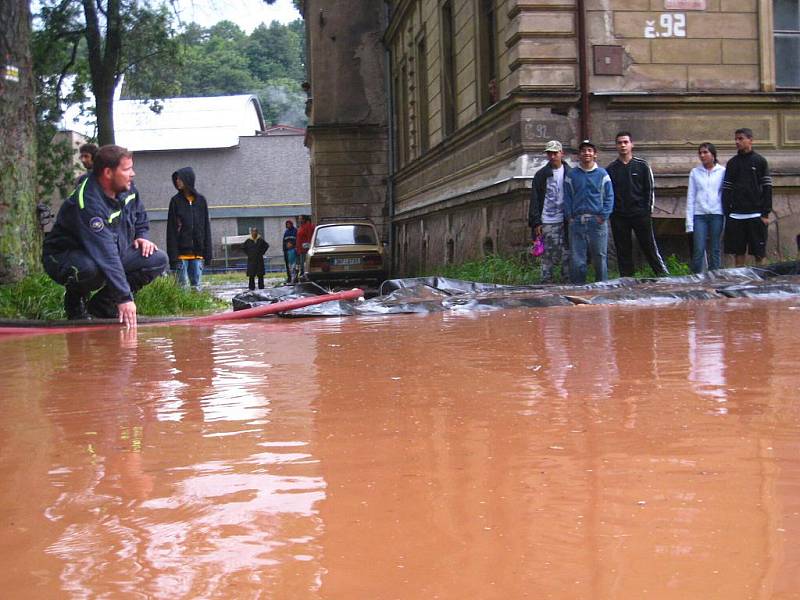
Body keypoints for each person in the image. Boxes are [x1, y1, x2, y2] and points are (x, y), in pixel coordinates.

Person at [42, 144, 168, 327]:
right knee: (91, 269)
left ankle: (102, 307)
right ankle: (75, 304)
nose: (133, 174)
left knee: (156, 259)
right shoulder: (89, 202)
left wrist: (142, 236)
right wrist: (124, 298)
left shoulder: (128, 188)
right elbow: (105, 254)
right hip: (64, 257)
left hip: (110, 251)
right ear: (108, 173)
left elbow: (140, 215)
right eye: (127, 169)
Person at [606, 132, 669, 277]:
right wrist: (613, 213)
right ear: (616, 146)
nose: (623, 145)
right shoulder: (611, 169)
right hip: (619, 216)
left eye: (625, 142)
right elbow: (608, 193)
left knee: (648, 245)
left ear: (631, 144)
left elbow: (649, 188)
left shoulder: (642, 166)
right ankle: (627, 278)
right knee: (623, 249)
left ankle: (661, 274)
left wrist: (647, 211)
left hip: (640, 214)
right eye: (619, 142)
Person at [563, 140, 614, 284]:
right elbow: (567, 197)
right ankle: (578, 287)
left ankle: (602, 286)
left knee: (600, 256)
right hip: (577, 221)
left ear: (595, 154)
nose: (587, 153)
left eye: (590, 150)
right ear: (579, 154)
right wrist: (570, 217)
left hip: (597, 222)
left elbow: (609, 197)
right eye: (583, 150)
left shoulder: (602, 174)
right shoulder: (572, 175)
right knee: (577, 258)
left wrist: (603, 216)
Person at [722, 128, 772, 266]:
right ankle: (739, 283)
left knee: (759, 253)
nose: (737, 142)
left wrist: (765, 213)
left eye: (741, 138)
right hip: (736, 216)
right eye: (736, 139)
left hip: (756, 215)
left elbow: (767, 188)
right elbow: (726, 189)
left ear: (750, 140)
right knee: (738, 253)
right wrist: (728, 213)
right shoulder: (732, 163)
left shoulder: (760, 161)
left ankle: (762, 283)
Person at [528, 140, 572, 283]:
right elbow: (535, 199)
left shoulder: (570, 173)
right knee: (548, 255)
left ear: (561, 153)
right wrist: (536, 222)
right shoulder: (541, 175)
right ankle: (546, 283)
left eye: (555, 153)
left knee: (567, 253)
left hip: (566, 220)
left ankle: (567, 281)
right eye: (549, 153)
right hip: (547, 220)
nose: (552, 156)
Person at [166, 167, 212, 290]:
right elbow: (171, 231)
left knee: (196, 288)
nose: (177, 182)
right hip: (181, 256)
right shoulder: (175, 201)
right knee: (182, 288)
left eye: (180, 179)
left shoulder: (201, 201)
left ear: (187, 180)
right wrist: (173, 257)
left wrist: (207, 254)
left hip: (198, 255)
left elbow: (206, 228)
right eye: (176, 179)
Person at [686, 143, 726, 273]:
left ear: (713, 155)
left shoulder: (722, 172)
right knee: (698, 248)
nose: (702, 155)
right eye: (700, 153)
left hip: (716, 214)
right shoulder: (695, 172)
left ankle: (715, 275)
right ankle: (696, 277)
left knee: (715, 248)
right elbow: (691, 196)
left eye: (705, 152)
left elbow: (724, 194)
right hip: (700, 215)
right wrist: (689, 222)